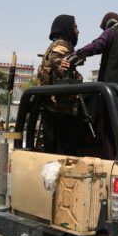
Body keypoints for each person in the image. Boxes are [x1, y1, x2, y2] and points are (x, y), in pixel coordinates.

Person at [73, 12, 118, 107]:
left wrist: (76, 54)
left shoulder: (111, 32)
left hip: (113, 91)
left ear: (108, 25)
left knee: (111, 121)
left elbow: (97, 45)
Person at [37, 14, 80, 154]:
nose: (78, 31)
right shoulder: (61, 45)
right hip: (60, 109)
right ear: (66, 28)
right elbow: (62, 70)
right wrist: (79, 79)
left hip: (54, 109)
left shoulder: (56, 45)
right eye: (75, 27)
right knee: (65, 156)